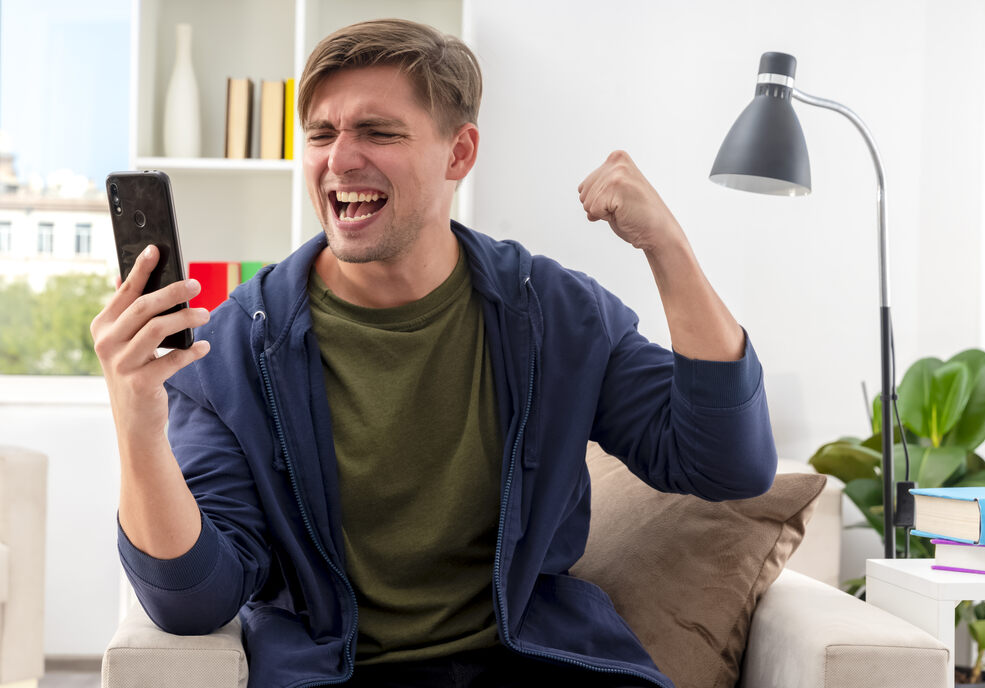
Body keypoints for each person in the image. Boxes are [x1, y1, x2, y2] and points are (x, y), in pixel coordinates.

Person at [92, 18, 776, 688]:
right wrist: (137, 421)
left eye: (378, 132)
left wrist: (669, 247)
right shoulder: (235, 348)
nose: (339, 159)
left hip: (533, 659)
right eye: (322, 134)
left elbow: (728, 463)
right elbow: (193, 601)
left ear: (459, 153)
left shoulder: (555, 313)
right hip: (337, 671)